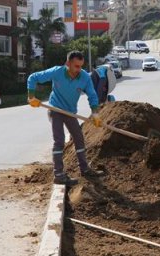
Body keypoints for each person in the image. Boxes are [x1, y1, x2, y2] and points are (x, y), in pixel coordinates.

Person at [28, 51, 103, 186]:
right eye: (76, 66)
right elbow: (33, 77)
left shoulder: (85, 77)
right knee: (59, 140)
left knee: (79, 138)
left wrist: (95, 113)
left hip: (70, 113)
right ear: (67, 64)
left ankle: (85, 169)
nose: (79, 70)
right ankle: (59, 175)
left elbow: (92, 95)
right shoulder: (57, 72)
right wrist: (31, 96)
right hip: (55, 109)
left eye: (81, 66)